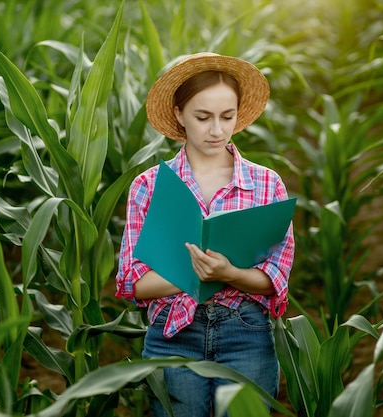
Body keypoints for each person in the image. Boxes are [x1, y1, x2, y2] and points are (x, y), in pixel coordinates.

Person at [116, 52, 295, 417]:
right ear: (179, 114)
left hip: (245, 332)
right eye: (203, 117)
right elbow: (134, 283)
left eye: (227, 117)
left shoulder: (266, 183)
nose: (217, 130)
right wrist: (196, 273)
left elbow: (275, 277)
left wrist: (228, 275)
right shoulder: (149, 186)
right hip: (172, 337)